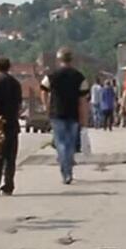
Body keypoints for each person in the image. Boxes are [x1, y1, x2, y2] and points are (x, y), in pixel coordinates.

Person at [40, 47, 89, 184]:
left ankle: (65, 171)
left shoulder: (52, 75)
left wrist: (46, 106)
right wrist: (84, 118)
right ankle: (69, 171)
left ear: (59, 59)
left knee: (60, 143)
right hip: (73, 114)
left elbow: (43, 90)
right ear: (71, 60)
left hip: (57, 113)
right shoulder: (79, 77)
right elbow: (83, 100)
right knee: (70, 143)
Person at [0, 56, 22, 196]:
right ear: (9, 67)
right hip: (12, 124)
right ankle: (8, 185)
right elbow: (19, 105)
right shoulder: (16, 83)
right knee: (10, 158)